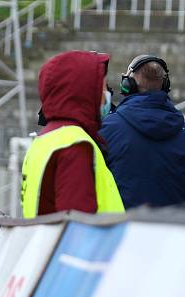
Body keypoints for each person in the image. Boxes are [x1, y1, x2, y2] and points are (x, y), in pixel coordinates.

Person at [21, 50, 124, 217]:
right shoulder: (76, 146)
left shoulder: (44, 140)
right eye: (103, 87)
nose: (107, 95)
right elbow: (76, 229)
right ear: (85, 91)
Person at [100, 55, 185, 210]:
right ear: (165, 85)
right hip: (172, 230)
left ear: (127, 84)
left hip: (123, 230)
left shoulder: (107, 128)